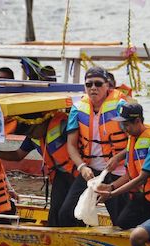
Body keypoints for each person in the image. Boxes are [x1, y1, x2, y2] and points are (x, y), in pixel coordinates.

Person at [56, 66, 130, 227]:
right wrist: (82, 167)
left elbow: (135, 141)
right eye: (89, 84)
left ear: (107, 86)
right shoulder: (77, 109)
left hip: (116, 171)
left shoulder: (121, 106)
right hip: (90, 171)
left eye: (98, 84)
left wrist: (118, 157)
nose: (93, 88)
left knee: (122, 221)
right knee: (67, 213)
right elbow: (71, 145)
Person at [0, 112, 75, 226]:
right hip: (59, 175)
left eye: (31, 132)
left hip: (77, 174)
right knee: (55, 212)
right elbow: (17, 155)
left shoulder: (63, 126)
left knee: (69, 211)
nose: (30, 136)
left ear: (40, 122)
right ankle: (54, 235)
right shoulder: (32, 137)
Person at [95, 103, 150, 229]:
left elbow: (141, 178)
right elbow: (130, 174)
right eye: (121, 124)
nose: (123, 128)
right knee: (123, 222)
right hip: (146, 195)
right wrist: (110, 186)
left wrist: (111, 193)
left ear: (137, 121)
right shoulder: (133, 138)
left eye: (126, 124)